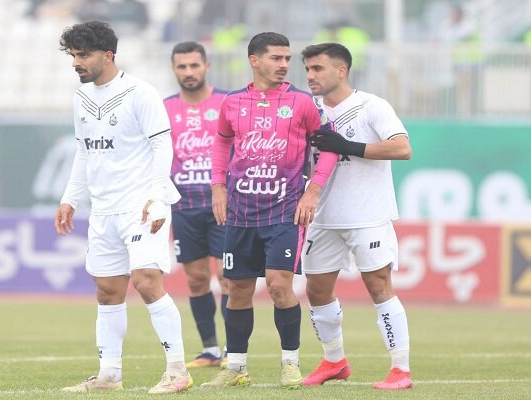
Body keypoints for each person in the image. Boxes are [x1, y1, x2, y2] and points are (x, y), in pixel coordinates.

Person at [55, 21, 192, 394]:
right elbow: (84, 150)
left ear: (107, 55)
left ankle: (178, 370)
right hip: (103, 208)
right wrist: (70, 197)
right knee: (107, 290)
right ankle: (109, 376)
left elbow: (162, 146)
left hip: (141, 204)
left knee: (146, 280)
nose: (76, 63)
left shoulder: (140, 92)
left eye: (83, 55)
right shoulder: (81, 97)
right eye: (74, 55)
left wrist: (158, 196)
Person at [201, 32, 338, 389]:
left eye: (287, 59)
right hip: (241, 212)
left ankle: (290, 364)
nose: (284, 65)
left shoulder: (303, 103)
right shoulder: (232, 102)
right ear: (254, 60)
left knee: (279, 286)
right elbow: (221, 143)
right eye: (276, 58)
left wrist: (312, 193)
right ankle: (236, 367)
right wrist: (218, 186)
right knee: (236, 288)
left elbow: (330, 147)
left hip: (284, 212)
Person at [300, 42, 413, 390]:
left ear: (341, 70)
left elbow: (402, 147)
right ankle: (334, 361)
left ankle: (400, 369)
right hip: (323, 216)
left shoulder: (371, 106)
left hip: (368, 214)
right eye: (307, 69)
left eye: (317, 68)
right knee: (316, 290)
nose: (310, 75)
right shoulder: (308, 109)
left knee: (379, 287)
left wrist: (348, 147)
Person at [164, 41, 229, 369]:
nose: (188, 72)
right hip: (185, 205)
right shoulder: (164, 109)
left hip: (223, 203)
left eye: (194, 65)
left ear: (206, 66)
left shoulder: (227, 102)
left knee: (228, 276)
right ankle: (211, 350)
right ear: (174, 69)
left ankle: (234, 349)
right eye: (182, 66)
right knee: (197, 279)